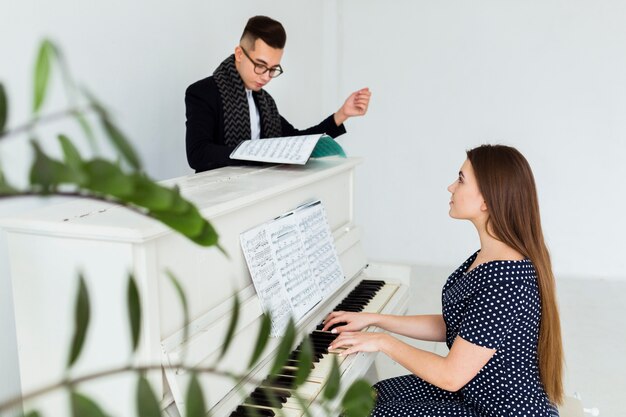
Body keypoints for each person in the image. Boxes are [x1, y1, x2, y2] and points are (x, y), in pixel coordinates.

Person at [323, 144, 564, 417]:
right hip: (474, 392)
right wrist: (375, 320)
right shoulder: (490, 255)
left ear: (487, 200)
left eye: (461, 180)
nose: (451, 187)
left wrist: (383, 342)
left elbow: (451, 376)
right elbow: (457, 325)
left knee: (374, 412)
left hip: (499, 410)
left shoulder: (507, 281)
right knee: (374, 394)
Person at [185, 15, 371, 172]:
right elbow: (198, 154)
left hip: (262, 193)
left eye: (273, 69)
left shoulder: (265, 102)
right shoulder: (202, 93)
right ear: (240, 54)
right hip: (220, 199)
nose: (266, 77)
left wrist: (342, 114)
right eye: (260, 66)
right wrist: (255, 152)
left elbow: (296, 141)